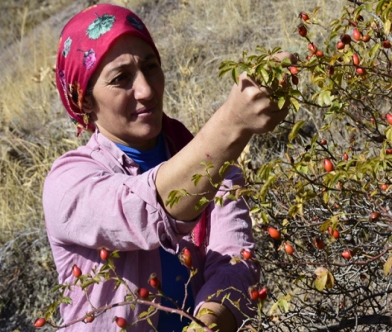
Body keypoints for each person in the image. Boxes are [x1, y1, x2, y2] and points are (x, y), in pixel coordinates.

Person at [43, 3, 295, 331]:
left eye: (150, 67)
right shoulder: (68, 182)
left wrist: (209, 322)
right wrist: (233, 123)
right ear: (85, 100)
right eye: (121, 79)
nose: (146, 90)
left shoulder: (217, 167)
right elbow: (144, 210)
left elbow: (234, 263)